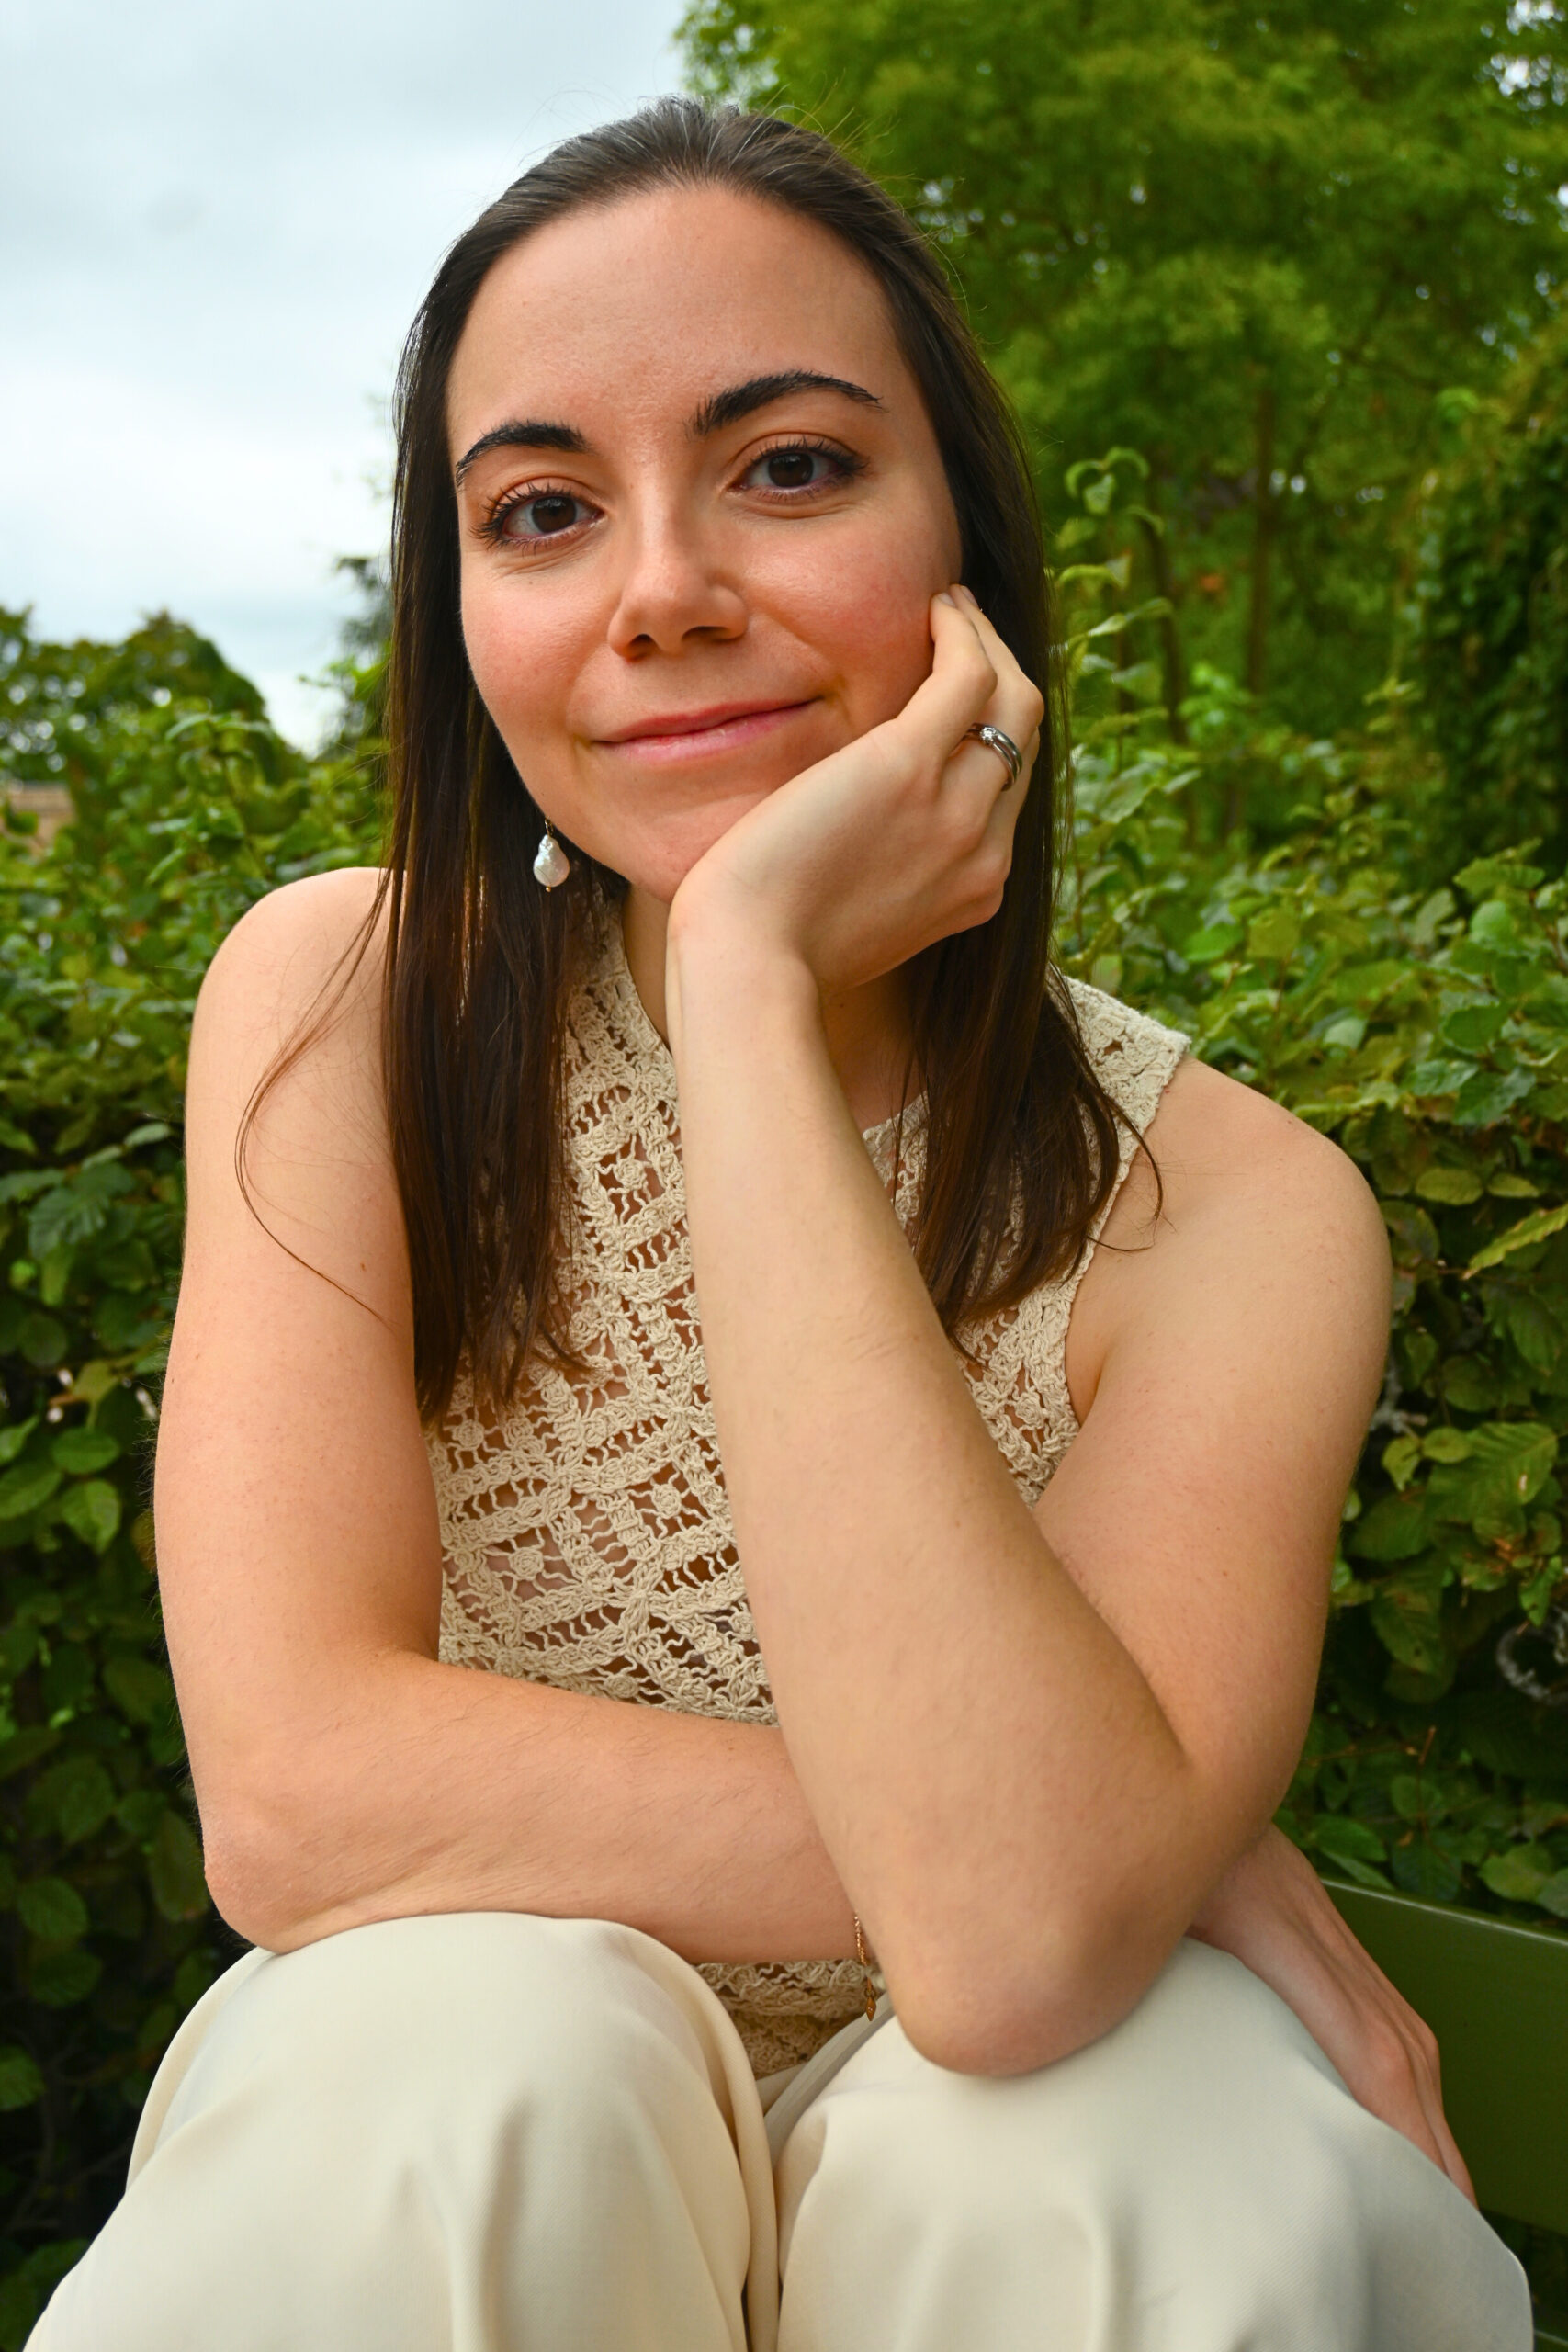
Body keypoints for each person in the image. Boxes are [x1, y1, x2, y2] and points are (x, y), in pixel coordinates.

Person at [30, 98, 1529, 2352]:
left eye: (790, 465)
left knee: (1118, 2140)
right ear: (464, 613)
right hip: (453, 2159)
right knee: (466, 2060)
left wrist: (738, 987)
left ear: (970, 549)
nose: (658, 590)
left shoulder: (1228, 1211)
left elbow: (1009, 1962)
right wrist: (1134, 1835)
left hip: (1023, 2155)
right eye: (542, 510)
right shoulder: (344, 1001)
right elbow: (299, 1797)